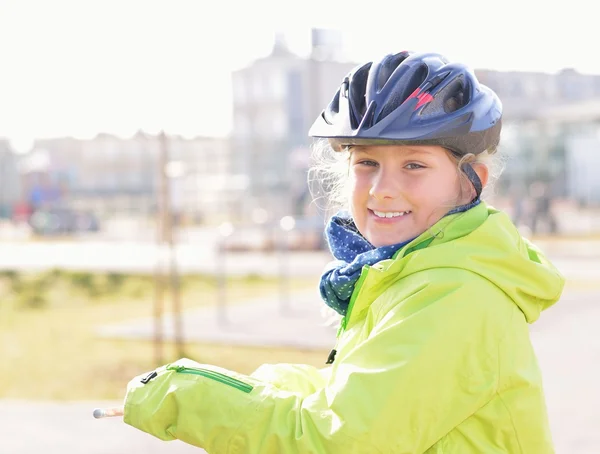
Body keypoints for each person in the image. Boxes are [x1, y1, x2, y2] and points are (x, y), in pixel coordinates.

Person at [121, 51, 565, 453]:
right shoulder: (413, 270)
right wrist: (261, 385)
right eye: (366, 163)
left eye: (414, 165)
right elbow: (364, 391)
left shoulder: (454, 292)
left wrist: (184, 394)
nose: (382, 190)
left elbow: (341, 441)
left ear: (472, 182)